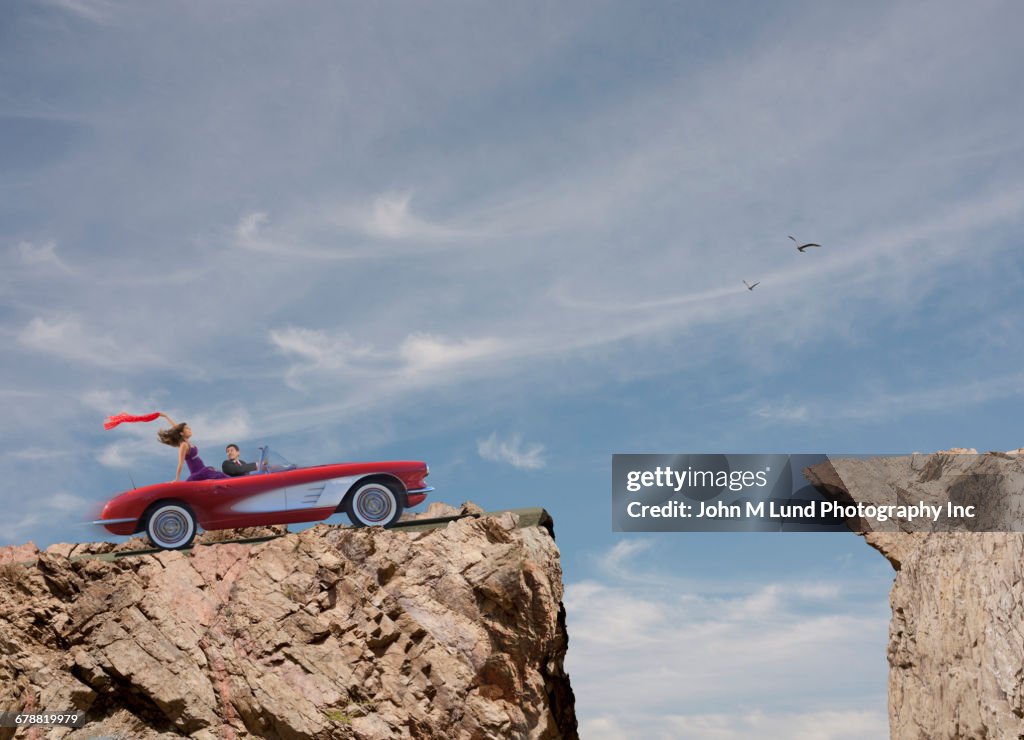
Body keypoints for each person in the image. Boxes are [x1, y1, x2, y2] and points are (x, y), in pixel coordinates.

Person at [156, 412, 230, 482]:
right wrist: (177, 479)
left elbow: (177, 428)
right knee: (216, 474)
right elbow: (180, 463)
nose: (190, 429)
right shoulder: (184, 445)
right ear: (182, 433)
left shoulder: (187, 442)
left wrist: (166, 416)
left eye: (189, 428)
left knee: (218, 473)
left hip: (203, 470)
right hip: (198, 473)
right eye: (187, 428)